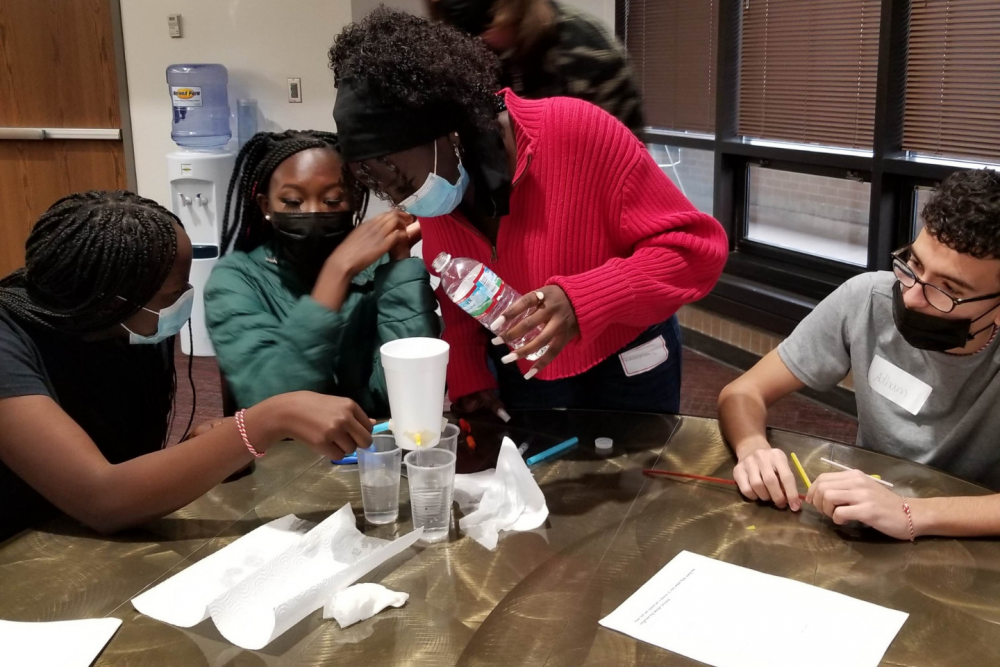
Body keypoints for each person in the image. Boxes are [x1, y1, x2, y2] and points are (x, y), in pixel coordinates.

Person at [329, 9, 727, 417]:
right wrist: (469, 375)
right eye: (386, 189)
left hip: (629, 364)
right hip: (529, 370)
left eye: (404, 181)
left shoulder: (575, 132)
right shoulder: (441, 187)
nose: (408, 203)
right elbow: (460, 286)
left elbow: (697, 252)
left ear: (447, 130)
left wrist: (583, 300)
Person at [0, 191, 375, 541]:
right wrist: (266, 421)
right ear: (112, 302)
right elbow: (102, 499)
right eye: (172, 293)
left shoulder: (128, 329)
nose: (184, 299)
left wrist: (209, 451)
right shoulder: (8, 344)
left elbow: (124, 461)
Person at [718, 169, 1000, 540]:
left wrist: (911, 513)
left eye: (947, 289)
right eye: (913, 266)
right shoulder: (868, 300)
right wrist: (753, 447)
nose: (912, 297)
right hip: (863, 520)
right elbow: (742, 392)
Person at [205, 130, 439, 415]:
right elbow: (272, 404)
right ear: (267, 207)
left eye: (331, 201)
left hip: (374, 446)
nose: (313, 212)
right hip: (290, 454)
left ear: (353, 200)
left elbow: (410, 394)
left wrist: (400, 261)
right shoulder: (235, 280)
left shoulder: (377, 270)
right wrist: (336, 274)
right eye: (292, 202)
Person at [427, 0, 645, 138]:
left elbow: (630, 166)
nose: (483, 43)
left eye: (489, 26)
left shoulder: (589, 52)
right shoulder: (461, 54)